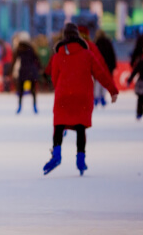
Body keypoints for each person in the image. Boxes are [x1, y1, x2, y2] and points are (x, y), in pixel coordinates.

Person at [43, 23, 118, 176]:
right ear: (77, 36)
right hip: (82, 96)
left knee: (59, 125)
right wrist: (112, 90)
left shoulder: (58, 56)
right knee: (80, 127)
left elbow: (55, 78)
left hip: (64, 95)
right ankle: (80, 159)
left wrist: (62, 89)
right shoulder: (87, 54)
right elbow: (101, 73)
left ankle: (56, 155)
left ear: (64, 36)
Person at [12, 31, 41, 114]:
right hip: (31, 70)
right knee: (33, 90)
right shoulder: (31, 48)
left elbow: (14, 61)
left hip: (23, 71)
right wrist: (39, 68)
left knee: (20, 90)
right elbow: (37, 59)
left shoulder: (18, 49)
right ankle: (35, 106)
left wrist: (10, 71)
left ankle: (19, 107)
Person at [94, 29, 117, 107]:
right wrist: (113, 66)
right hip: (107, 66)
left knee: (97, 82)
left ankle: (96, 97)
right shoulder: (108, 42)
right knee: (105, 82)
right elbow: (112, 54)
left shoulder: (96, 43)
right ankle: (102, 97)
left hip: (98, 66)